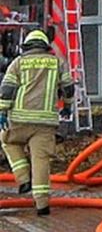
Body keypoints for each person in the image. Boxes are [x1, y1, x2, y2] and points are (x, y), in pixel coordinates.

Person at [0, 28, 74, 215]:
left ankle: (23, 178)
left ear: (26, 46)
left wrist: (2, 112)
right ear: (45, 46)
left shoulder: (18, 63)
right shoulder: (57, 62)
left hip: (19, 120)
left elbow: (7, 89)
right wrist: (67, 106)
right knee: (41, 160)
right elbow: (69, 88)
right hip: (45, 123)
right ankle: (42, 205)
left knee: (7, 140)